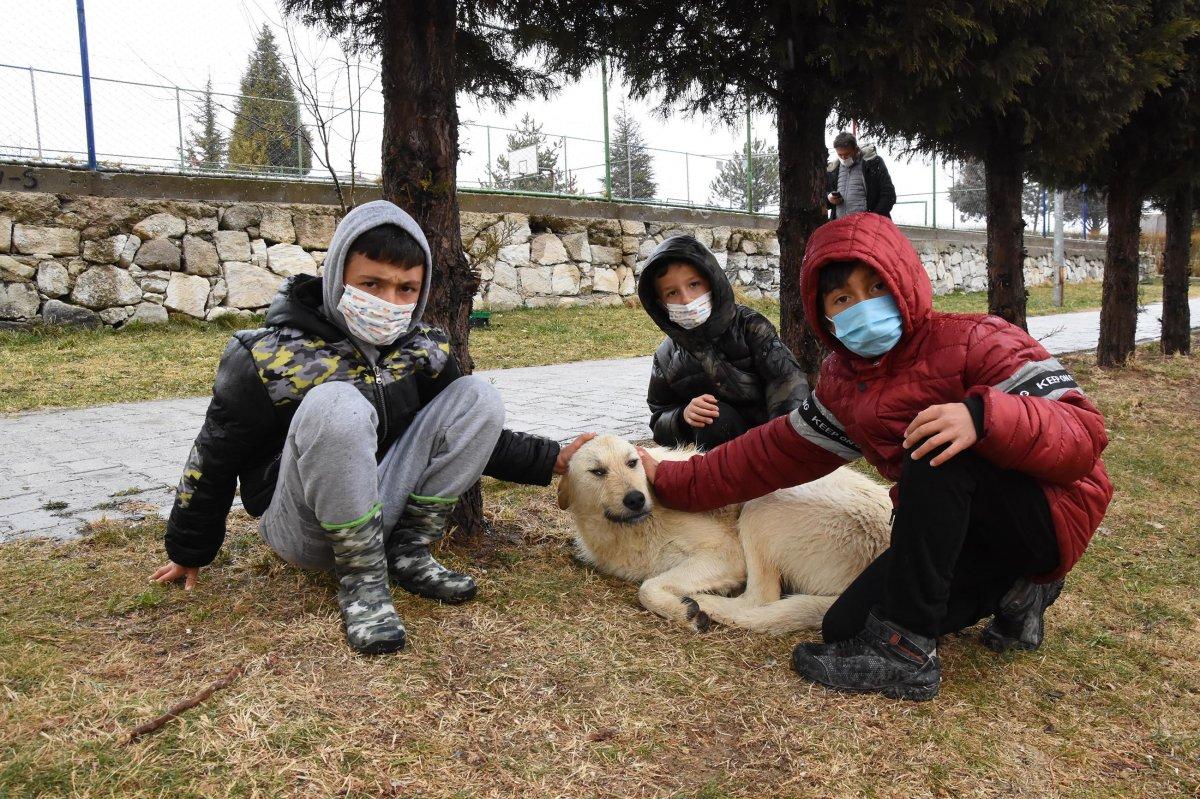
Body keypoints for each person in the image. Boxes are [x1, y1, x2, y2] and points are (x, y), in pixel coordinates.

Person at [635, 213, 1111, 701]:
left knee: (932, 441)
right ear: (825, 316)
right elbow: (768, 454)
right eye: (843, 299)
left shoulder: (980, 338)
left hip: (1048, 514)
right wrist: (672, 480)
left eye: (877, 287)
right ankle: (1019, 591)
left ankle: (906, 652)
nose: (863, 307)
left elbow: (1083, 433)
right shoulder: (846, 384)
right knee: (845, 624)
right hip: (960, 532)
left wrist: (981, 417)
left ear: (904, 282)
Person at [151, 200, 592, 655]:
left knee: (478, 397)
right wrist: (190, 550)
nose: (389, 302)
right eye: (371, 284)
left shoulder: (425, 348)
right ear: (337, 274)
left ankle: (409, 552)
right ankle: (362, 583)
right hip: (303, 526)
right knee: (336, 402)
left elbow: (459, 430)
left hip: (387, 505)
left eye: (406, 288)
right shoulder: (264, 356)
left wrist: (549, 458)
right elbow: (215, 453)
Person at [638, 234, 808, 451]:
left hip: (768, 443)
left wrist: (780, 444)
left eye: (694, 284)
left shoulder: (750, 327)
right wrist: (682, 417)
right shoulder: (666, 356)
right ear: (660, 304)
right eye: (672, 292)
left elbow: (787, 382)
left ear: (711, 281)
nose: (686, 299)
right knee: (713, 416)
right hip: (716, 450)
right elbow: (659, 417)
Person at [825, 131, 896, 220]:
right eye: (840, 155)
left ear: (856, 149)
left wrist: (874, 218)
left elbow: (889, 194)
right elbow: (823, 198)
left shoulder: (873, 163)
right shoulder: (833, 169)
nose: (843, 158)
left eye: (847, 154)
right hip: (841, 226)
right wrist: (829, 198)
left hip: (868, 226)